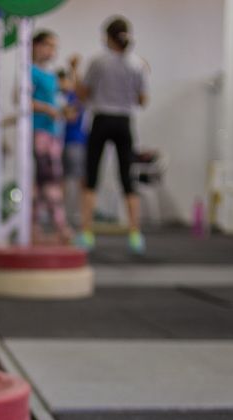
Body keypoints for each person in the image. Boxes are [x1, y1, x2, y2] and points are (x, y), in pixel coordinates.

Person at [75, 16, 147, 254]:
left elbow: (83, 94)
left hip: (102, 120)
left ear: (107, 37)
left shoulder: (98, 61)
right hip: (124, 122)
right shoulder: (137, 64)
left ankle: (86, 233)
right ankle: (135, 234)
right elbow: (143, 100)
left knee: (91, 176)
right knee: (127, 178)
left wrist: (75, 72)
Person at [30, 30, 73, 242]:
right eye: (48, 45)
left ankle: (33, 228)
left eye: (54, 46)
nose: (52, 51)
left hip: (54, 133)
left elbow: (63, 96)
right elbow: (21, 100)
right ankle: (61, 226)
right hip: (40, 133)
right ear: (35, 45)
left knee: (39, 185)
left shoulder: (49, 74)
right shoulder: (29, 71)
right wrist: (47, 109)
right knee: (51, 182)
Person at [59, 60, 87, 229]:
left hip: (75, 143)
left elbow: (71, 115)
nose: (61, 84)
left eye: (64, 81)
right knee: (62, 181)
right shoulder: (59, 97)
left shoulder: (74, 97)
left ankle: (80, 215)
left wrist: (75, 69)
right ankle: (61, 215)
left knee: (78, 181)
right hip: (62, 143)